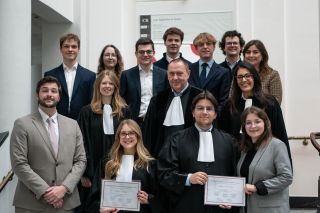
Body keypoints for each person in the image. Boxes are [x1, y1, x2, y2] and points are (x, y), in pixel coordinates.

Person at [10, 76, 86, 213]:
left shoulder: (73, 125)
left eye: (53, 91)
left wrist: (64, 188)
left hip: (66, 202)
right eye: (45, 90)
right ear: (37, 95)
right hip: (31, 204)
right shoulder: (22, 124)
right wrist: (47, 192)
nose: (49, 94)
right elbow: (19, 163)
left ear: (59, 96)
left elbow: (80, 160)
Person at [157, 91, 238, 213]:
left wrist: (231, 199)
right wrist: (188, 179)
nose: (204, 112)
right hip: (186, 205)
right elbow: (164, 174)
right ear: (193, 113)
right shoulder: (176, 140)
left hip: (219, 208)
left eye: (209, 109)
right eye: (200, 108)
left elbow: (236, 175)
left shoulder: (229, 141)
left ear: (215, 114)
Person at [218, 61, 292, 163]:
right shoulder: (230, 105)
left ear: (254, 77)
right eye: (239, 77)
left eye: (247, 76)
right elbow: (223, 136)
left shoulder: (269, 102)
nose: (244, 80)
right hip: (236, 158)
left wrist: (288, 164)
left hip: (264, 158)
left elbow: (280, 133)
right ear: (235, 80)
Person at [77, 71, 130, 212]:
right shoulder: (86, 112)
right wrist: (84, 173)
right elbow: (82, 144)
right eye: (104, 83)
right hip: (93, 170)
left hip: (118, 167)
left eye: (111, 83)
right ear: (98, 86)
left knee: (117, 207)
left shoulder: (124, 111)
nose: (107, 86)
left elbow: (130, 140)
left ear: (116, 87)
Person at [99, 119, 163, 213]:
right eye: (123, 133)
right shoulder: (107, 163)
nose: (127, 137)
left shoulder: (150, 164)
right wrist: (101, 210)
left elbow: (161, 196)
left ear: (138, 136)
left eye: (131, 133)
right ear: (118, 137)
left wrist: (149, 199)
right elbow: (96, 195)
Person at [237, 106, 292, 213]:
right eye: (248, 123)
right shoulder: (245, 149)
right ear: (244, 127)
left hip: (270, 209)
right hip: (247, 208)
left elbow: (286, 177)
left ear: (265, 123)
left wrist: (257, 187)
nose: (253, 126)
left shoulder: (277, 145)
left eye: (257, 121)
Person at [143, 58, 202, 158]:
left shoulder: (200, 97)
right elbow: (149, 133)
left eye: (179, 73)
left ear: (188, 74)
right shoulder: (157, 99)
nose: (175, 77)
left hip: (192, 156)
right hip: (163, 156)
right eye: (171, 74)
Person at [45, 33, 96, 120]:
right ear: (61, 49)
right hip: (55, 121)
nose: (70, 49)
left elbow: (91, 103)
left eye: (73, 46)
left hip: (81, 122)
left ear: (78, 49)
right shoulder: (50, 75)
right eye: (66, 46)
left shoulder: (90, 76)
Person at [120, 37, 168, 125]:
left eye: (149, 51)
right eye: (141, 52)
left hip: (157, 123)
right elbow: (121, 101)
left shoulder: (164, 75)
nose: (145, 55)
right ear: (136, 54)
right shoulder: (126, 75)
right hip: (134, 123)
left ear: (153, 53)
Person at [189, 32, 231, 112]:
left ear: (214, 47)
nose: (205, 47)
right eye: (201, 45)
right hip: (192, 117)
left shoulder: (224, 72)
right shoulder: (189, 69)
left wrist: (213, 115)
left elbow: (224, 101)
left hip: (214, 118)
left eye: (208, 44)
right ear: (196, 48)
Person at [243, 40, 283, 104]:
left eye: (255, 52)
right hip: (241, 113)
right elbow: (232, 98)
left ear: (263, 56)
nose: (251, 55)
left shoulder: (272, 75)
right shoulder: (239, 75)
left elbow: (276, 101)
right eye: (248, 52)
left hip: (265, 113)